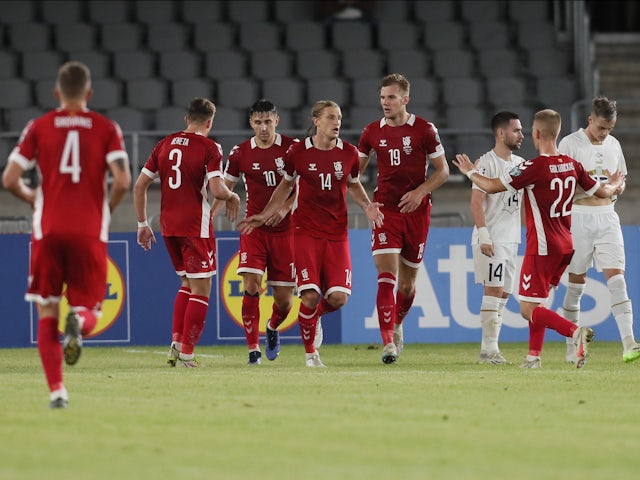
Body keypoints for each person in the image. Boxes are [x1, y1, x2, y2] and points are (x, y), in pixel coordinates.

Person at [1, 61, 132, 408]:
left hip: (49, 229)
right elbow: (122, 180)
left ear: (57, 93)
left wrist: (33, 199)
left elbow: (9, 179)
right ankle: (78, 321)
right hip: (89, 229)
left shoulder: (39, 127)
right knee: (90, 309)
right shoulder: (106, 128)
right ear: (88, 93)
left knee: (47, 311)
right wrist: (105, 207)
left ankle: (57, 391)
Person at [454, 109, 624, 369]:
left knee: (527, 308)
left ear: (536, 133)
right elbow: (601, 192)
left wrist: (468, 171)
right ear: (558, 132)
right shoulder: (572, 164)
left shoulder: (533, 167)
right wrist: (614, 185)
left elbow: (489, 187)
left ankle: (574, 332)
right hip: (567, 244)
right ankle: (533, 357)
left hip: (543, 245)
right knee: (539, 302)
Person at [239, 100, 384, 367]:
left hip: (337, 234)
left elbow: (353, 185)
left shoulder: (349, 153)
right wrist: (265, 214)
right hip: (304, 232)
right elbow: (284, 186)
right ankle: (310, 355)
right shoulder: (298, 153)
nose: (336, 122)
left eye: (339, 117)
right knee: (310, 295)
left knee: (338, 299)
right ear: (316, 121)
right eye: (330, 117)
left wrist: (367, 206)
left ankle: (311, 316)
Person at [133, 98, 240, 368]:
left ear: (186, 119)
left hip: (168, 225)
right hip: (195, 225)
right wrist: (232, 196)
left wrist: (142, 224)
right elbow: (217, 190)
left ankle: (176, 345)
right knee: (201, 289)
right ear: (210, 122)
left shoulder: (164, 144)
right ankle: (187, 355)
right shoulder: (210, 147)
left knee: (187, 284)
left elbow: (140, 186)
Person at [358, 73, 449, 364]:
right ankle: (387, 343)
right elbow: (352, 176)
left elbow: (443, 170)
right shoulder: (371, 131)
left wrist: (421, 192)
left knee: (407, 286)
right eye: (383, 97)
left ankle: (397, 324)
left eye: (392, 97)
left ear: (405, 99)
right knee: (386, 278)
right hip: (386, 211)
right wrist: (367, 205)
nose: (386, 102)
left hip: (416, 212)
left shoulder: (424, 129)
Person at [212, 99, 298, 365]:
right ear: (251, 123)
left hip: (287, 232)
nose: (263, 128)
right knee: (250, 284)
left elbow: (304, 187)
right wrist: (208, 217)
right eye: (258, 122)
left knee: (284, 302)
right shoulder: (240, 153)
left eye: (268, 122)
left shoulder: (292, 149)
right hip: (254, 228)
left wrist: (284, 208)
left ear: (277, 121)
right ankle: (252, 350)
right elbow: (224, 187)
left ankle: (272, 327)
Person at [559, 97, 640, 363]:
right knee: (575, 285)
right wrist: (596, 186)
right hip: (579, 217)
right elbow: (562, 185)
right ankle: (572, 349)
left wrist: (616, 187)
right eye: (601, 128)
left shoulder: (614, 145)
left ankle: (629, 344)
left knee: (617, 279)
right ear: (590, 120)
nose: (605, 134)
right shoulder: (570, 144)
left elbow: (622, 180)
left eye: (610, 129)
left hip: (607, 216)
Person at [470, 112, 525, 365]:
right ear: (501, 133)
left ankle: (491, 347)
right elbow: (476, 202)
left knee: (503, 295)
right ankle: (489, 350)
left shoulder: (522, 164)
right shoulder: (485, 163)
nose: (521, 135)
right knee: (492, 291)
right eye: (516, 130)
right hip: (491, 238)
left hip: (511, 239)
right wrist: (484, 235)